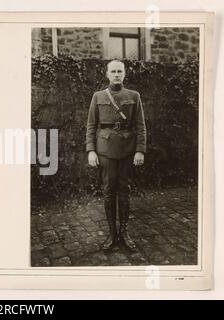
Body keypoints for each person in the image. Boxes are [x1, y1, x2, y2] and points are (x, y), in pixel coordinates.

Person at [85, 59, 146, 251]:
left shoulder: (134, 96)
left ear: (125, 74)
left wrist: (139, 150)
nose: (117, 74)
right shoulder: (98, 96)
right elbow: (91, 125)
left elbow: (140, 126)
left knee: (125, 192)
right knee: (108, 192)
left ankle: (124, 232)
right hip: (105, 151)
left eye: (120, 71)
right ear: (107, 74)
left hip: (127, 151)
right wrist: (91, 150)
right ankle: (112, 234)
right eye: (113, 71)